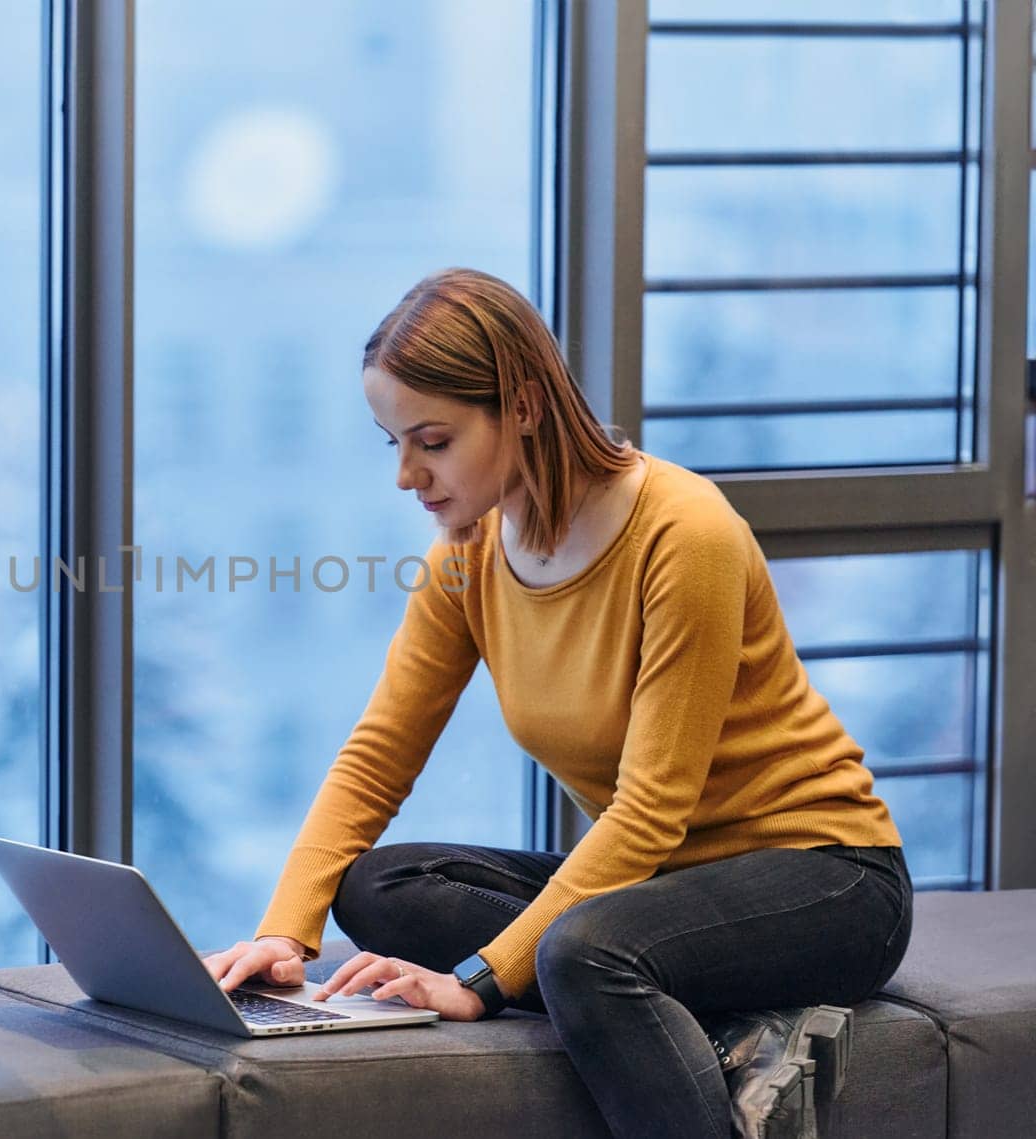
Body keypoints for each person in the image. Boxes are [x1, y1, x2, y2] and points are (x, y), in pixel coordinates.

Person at [202, 268, 913, 1139]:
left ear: (526, 406)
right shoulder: (467, 556)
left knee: (582, 952)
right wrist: (287, 932)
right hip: (660, 889)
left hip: (826, 877)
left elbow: (652, 807)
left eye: (431, 439)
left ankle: (649, 1005)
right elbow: (378, 753)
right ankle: (700, 1021)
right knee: (382, 884)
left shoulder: (685, 534)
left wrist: (476, 979)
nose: (405, 475)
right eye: (391, 441)